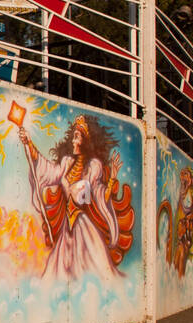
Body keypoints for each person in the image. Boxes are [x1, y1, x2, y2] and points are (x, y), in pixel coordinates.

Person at [18, 114, 134, 279]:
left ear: (85, 140)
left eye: (77, 137)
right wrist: (29, 143)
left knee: (92, 268)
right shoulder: (66, 163)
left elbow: (98, 197)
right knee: (58, 271)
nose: (73, 140)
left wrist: (112, 178)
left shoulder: (93, 166)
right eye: (73, 137)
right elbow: (48, 170)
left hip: (82, 224)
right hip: (68, 226)